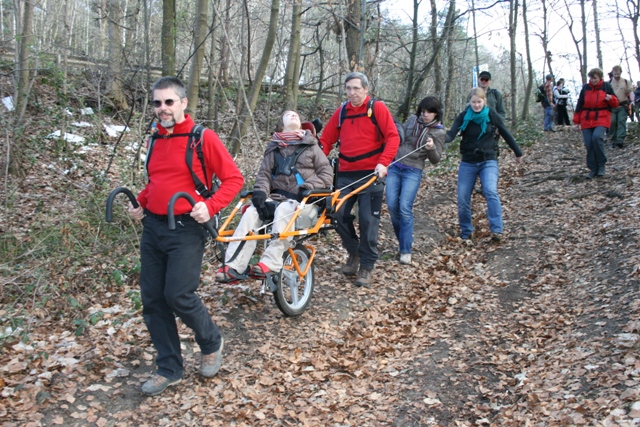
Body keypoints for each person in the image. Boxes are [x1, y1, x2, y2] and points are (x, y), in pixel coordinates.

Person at [127, 77, 244, 396]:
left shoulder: (201, 137)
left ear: (182, 103)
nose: (162, 108)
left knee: (178, 294)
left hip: (187, 227)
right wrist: (141, 202)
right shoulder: (154, 138)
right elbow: (157, 181)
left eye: (169, 102)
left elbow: (233, 179)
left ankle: (211, 341)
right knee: (152, 300)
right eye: (157, 103)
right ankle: (169, 368)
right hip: (153, 227)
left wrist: (211, 206)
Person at [214, 110, 333, 282]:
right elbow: (263, 175)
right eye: (288, 114)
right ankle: (233, 265)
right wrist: (261, 193)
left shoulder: (312, 146)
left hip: (305, 202)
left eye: (296, 115)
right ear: (281, 125)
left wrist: (308, 187)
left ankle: (270, 262)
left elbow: (327, 175)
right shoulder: (273, 149)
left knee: (285, 209)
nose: (293, 115)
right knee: (251, 212)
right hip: (277, 200)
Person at [319, 72, 400, 287]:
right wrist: (317, 162)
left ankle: (367, 265)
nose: (352, 93)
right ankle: (354, 252)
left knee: (367, 219)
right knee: (337, 213)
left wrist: (384, 162)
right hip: (345, 174)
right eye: (348, 88)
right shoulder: (341, 113)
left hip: (372, 173)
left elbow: (393, 136)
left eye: (356, 88)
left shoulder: (377, 108)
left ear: (366, 89)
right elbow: (326, 140)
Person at [445, 87, 523, 242]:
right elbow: (450, 135)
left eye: (479, 102)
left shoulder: (491, 115)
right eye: (473, 102)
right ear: (470, 102)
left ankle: (497, 230)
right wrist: (437, 138)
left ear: (484, 101)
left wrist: (518, 152)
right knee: (462, 197)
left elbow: (505, 133)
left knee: (490, 191)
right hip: (468, 161)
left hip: (488, 160)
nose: (476, 105)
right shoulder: (463, 117)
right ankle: (467, 232)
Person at [386, 96, 445, 265]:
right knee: (391, 205)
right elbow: (399, 136)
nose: (425, 115)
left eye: (429, 112)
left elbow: (436, 159)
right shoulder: (412, 120)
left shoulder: (439, 132)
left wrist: (431, 147)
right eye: (423, 111)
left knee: (404, 207)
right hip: (396, 165)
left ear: (436, 113)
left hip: (414, 170)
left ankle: (406, 250)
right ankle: (403, 240)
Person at [573, 68, 619, 179]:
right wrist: (576, 121)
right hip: (587, 118)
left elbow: (615, 103)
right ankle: (593, 168)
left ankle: (601, 165)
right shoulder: (585, 88)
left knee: (597, 138)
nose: (593, 80)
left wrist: (610, 98)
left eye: (595, 78)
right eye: (591, 78)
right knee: (589, 143)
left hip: (602, 117)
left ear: (600, 77)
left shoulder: (606, 87)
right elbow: (579, 104)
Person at [609, 65, 635, 147]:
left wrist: (632, 101)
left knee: (621, 121)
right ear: (612, 73)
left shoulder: (626, 82)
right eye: (615, 73)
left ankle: (620, 139)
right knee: (612, 122)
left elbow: (631, 91)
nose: (616, 74)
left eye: (618, 72)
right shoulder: (608, 83)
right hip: (611, 106)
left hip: (622, 105)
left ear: (620, 72)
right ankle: (613, 139)